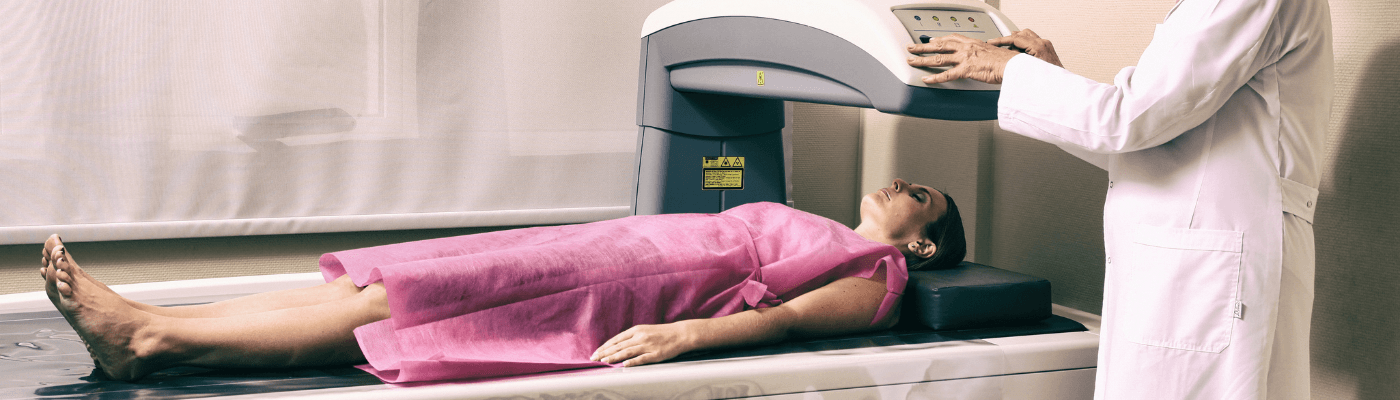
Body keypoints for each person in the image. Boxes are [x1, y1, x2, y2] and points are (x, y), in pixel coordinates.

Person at [38, 179, 966, 383]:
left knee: (406, 305)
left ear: (923, 247)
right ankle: (148, 320)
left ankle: (149, 340)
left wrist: (682, 336)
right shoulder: (827, 223)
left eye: (919, 197)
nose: (900, 187)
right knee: (393, 275)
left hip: (647, 284)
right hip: (624, 245)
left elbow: (787, 324)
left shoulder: (877, 271)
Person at [905, 0, 1331, 399]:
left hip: (1215, 273)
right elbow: (1140, 139)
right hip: (1198, 270)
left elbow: (1128, 121)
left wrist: (1012, 69)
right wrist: (1049, 77)